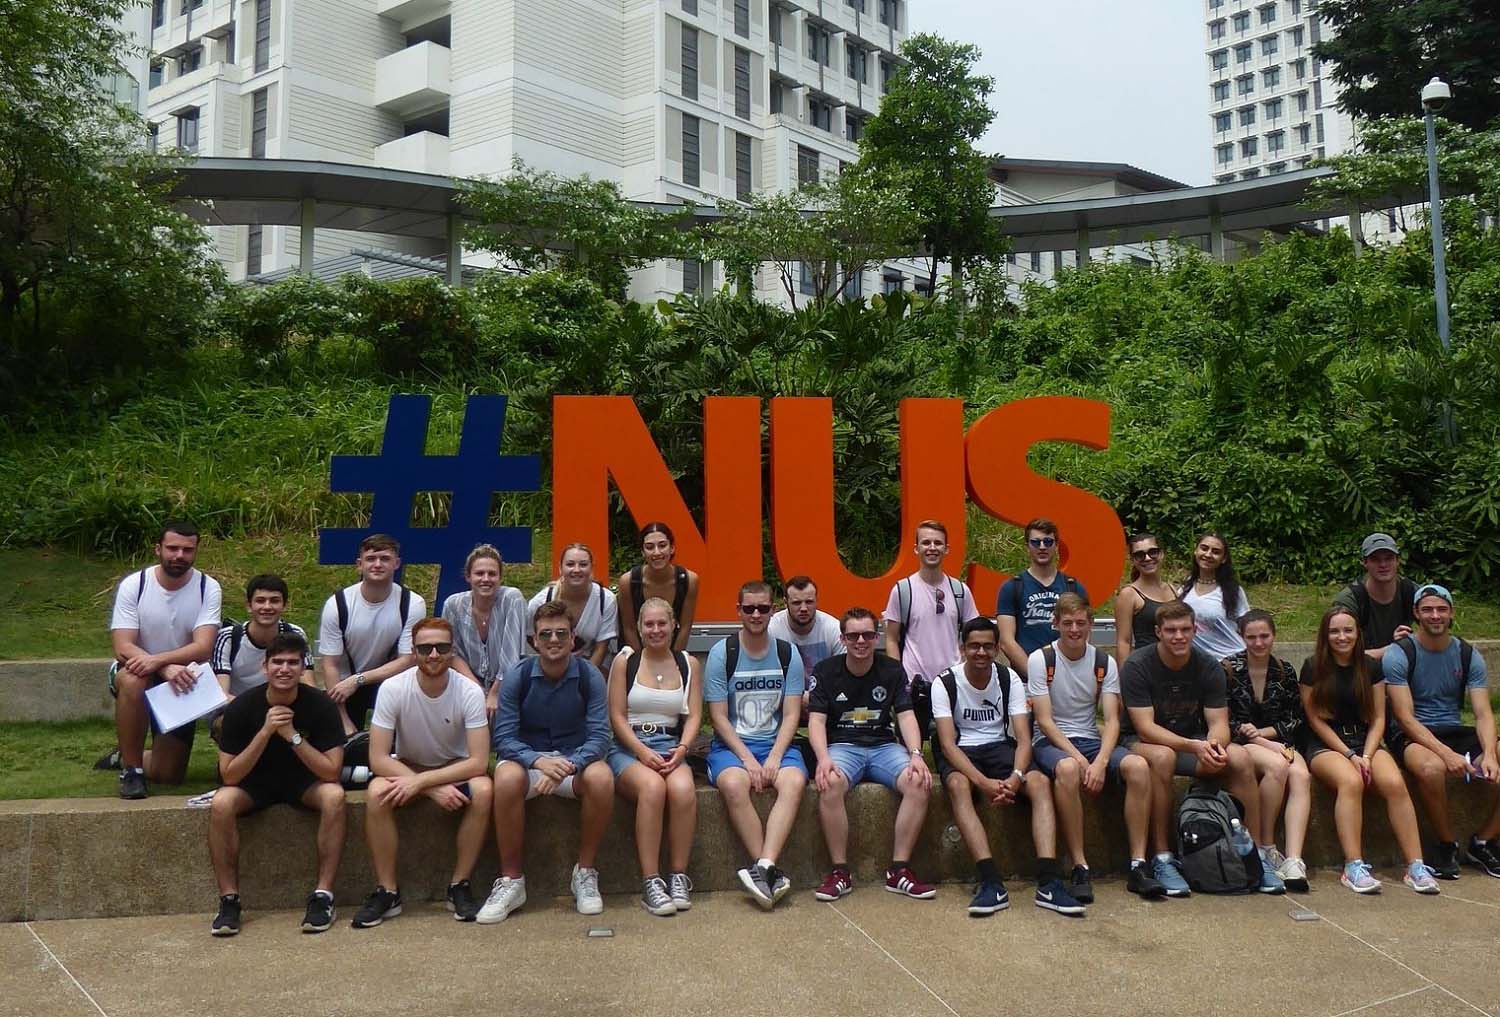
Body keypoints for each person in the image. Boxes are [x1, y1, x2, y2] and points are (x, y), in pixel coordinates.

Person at [1121, 600, 1284, 896]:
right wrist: (1195, 747)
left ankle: (1255, 856)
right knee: (1162, 757)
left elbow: (1219, 721)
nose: (1179, 636)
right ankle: (1162, 858)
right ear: (1158, 632)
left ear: (1195, 630)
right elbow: (1145, 728)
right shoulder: (1138, 665)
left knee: (1239, 756)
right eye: (1171, 630)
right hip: (1140, 742)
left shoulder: (1208, 664)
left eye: (1185, 629)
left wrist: (1213, 745)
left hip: (1193, 740)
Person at [933, 617, 1084, 917]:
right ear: (962, 648)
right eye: (974, 646)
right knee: (957, 785)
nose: (981, 652)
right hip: (962, 749)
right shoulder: (945, 682)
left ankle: (1049, 881)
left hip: (999, 747)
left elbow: (1024, 739)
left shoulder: (1009, 679)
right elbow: (948, 744)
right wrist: (982, 782)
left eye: (988, 646)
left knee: (1039, 783)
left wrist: (1015, 777)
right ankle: (990, 881)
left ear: (998, 648)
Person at [351, 618, 493, 928]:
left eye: (441, 647)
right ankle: (387, 890)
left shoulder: (468, 691)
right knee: (376, 793)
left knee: (483, 790)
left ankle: (460, 885)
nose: (433, 655)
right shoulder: (392, 688)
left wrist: (425, 782)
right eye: (425, 648)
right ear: (413, 651)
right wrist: (427, 787)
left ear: (451, 650)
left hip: (456, 768)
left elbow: (479, 761)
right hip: (408, 765)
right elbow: (377, 758)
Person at [483, 602, 614, 923]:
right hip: (529, 761)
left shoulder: (589, 676)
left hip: (574, 761)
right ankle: (512, 880)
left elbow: (600, 737)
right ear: (534, 642)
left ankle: (584, 873)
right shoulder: (518, 675)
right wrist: (539, 761)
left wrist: (568, 765)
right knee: (506, 778)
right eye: (546, 634)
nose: (553, 640)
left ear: (573, 640)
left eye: (561, 634)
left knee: (602, 778)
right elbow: (503, 738)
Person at [1029, 594, 1163, 903]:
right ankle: (1080, 864)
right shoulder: (1041, 659)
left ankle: (1138, 864)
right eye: (1067, 624)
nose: (1074, 630)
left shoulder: (1104, 662)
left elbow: (1112, 720)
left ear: (1091, 624)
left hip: (1090, 738)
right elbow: (1045, 722)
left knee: (1139, 767)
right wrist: (1080, 760)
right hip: (1052, 741)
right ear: (1056, 624)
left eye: (1080, 623)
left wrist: (1101, 761)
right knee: (1067, 769)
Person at [209, 633, 346, 936]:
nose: (285, 669)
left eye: (292, 663)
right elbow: (230, 775)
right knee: (221, 803)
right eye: (278, 662)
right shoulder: (241, 708)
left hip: (304, 781)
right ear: (265, 667)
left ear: (302, 668)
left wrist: (292, 736)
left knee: (335, 796)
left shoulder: (321, 706)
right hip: (253, 783)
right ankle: (229, 900)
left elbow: (331, 771)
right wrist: (266, 731)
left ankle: (323, 896)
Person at [1302, 607, 1439, 894]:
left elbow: (1378, 717)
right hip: (1327, 744)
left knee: (1394, 783)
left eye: (1348, 630)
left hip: (1366, 741)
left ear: (1358, 633)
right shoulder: (1313, 667)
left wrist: (1365, 754)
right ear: (1325, 636)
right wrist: (1350, 756)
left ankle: (1415, 865)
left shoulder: (1371, 667)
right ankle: (1353, 866)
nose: (1342, 637)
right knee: (1351, 782)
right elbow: (1314, 719)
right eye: (1335, 631)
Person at [809, 608, 935, 903]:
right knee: (829, 783)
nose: (861, 641)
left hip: (883, 747)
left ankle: (899, 871)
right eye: (853, 636)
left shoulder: (892, 669)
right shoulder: (826, 671)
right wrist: (823, 758)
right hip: (842, 746)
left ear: (877, 636)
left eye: (867, 634)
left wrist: (916, 754)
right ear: (843, 639)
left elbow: (905, 716)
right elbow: (816, 721)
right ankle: (840, 872)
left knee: (918, 782)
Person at [1382, 584, 1500, 879]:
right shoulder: (1399, 654)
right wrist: (1446, 754)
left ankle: (1484, 841)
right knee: (1432, 767)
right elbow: (1404, 718)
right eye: (1428, 610)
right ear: (1416, 614)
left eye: (1441, 610)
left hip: (1454, 727)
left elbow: (1483, 713)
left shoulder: (1468, 654)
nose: (1435, 616)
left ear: (1451, 614)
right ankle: (1446, 843)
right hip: (1412, 732)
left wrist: (1490, 754)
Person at [704, 581, 807, 909]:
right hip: (732, 747)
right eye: (749, 608)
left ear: (772, 609)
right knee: (734, 784)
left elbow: (791, 714)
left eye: (763, 608)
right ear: (739, 611)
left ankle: (763, 867)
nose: (756, 614)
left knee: (793, 781)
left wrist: (775, 756)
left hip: (777, 742)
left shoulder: (787, 653)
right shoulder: (723, 653)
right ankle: (768, 868)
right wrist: (748, 760)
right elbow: (718, 717)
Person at [106, 521, 223, 799]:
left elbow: (203, 647)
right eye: (172, 548)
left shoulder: (208, 587)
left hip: (181, 679)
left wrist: (162, 663)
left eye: (187, 550)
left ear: (195, 552)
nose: (179, 555)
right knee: (135, 679)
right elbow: (122, 645)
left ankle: (125, 754)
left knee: (168, 775)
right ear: (158, 549)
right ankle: (131, 771)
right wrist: (163, 665)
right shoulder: (135, 585)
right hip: (135, 667)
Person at [606, 597, 702, 916]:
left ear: (674, 625)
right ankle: (651, 881)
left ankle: (678, 875)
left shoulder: (688, 664)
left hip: (671, 746)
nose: (656, 630)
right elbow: (617, 716)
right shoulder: (626, 661)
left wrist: (683, 749)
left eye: (662, 623)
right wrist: (641, 751)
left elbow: (694, 716)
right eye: (649, 624)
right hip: (630, 747)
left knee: (684, 790)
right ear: (639, 628)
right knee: (652, 788)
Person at [1221, 609, 1311, 891]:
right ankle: (1266, 844)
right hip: (1242, 742)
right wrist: (1259, 740)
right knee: (1278, 766)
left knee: (1302, 776)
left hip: (1276, 739)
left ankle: (1294, 858)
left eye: (1265, 636)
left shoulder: (1284, 670)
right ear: (1241, 637)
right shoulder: (1227, 669)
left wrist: (1266, 734)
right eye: (1252, 637)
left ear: (1274, 635)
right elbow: (1222, 718)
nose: (1259, 643)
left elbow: (1295, 717)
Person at [318, 533, 427, 736]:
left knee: (398, 739)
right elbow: (330, 663)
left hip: (391, 680)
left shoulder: (412, 603)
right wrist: (342, 719)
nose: (377, 564)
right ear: (359, 564)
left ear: (397, 563)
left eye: (385, 559)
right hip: (343, 683)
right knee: (341, 739)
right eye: (371, 559)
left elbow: (407, 660)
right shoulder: (338, 604)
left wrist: (358, 679)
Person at [883, 520, 979, 737]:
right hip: (914, 684)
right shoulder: (903, 590)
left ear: (947, 549)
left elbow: (973, 633)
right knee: (911, 749)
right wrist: (899, 679)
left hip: (952, 681)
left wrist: (966, 669)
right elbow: (891, 638)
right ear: (916, 549)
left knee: (953, 747)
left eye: (938, 543)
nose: (932, 548)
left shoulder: (960, 591)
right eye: (926, 543)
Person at [996, 517, 1090, 673]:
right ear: (1027, 546)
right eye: (1036, 542)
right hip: (1027, 680)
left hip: (1069, 676)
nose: (1042, 547)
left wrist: (1069, 674)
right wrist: (1036, 676)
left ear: (1056, 546)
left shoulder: (1074, 587)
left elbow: (1084, 634)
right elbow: (1006, 641)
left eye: (1048, 542)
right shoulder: (1012, 587)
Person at [441, 544, 526, 712]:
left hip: (508, 682)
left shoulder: (512, 599)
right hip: (466, 681)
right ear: (468, 577)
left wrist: (494, 693)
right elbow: (452, 651)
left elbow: (512, 653)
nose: (486, 579)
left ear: (500, 577)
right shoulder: (453, 605)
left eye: (492, 574)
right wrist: (477, 689)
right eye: (479, 573)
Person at [211, 574, 313, 703]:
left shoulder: (295, 633)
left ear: (284, 606)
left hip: (282, 707)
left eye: (274, 601)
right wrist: (259, 711)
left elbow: (309, 686)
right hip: (236, 709)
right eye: (260, 601)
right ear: (249, 606)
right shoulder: (229, 638)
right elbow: (222, 695)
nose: (267, 607)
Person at [528, 542, 619, 669]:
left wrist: (586, 679)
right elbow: (530, 636)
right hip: (552, 665)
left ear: (592, 568)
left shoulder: (606, 600)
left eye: (583, 564)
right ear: (560, 568)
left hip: (594, 666)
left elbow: (601, 647)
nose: (576, 570)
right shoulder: (540, 602)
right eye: (570, 564)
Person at [1332, 533, 1416, 662]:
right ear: (1365, 562)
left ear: (1397, 561)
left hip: (1402, 666)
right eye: (1375, 559)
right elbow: (1339, 655)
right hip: (1361, 669)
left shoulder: (1412, 592)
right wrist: (1395, 648)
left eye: (1389, 558)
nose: (1383, 564)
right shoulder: (1349, 600)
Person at [617, 522, 700, 653]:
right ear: (643, 552)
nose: (657, 552)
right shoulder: (628, 581)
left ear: (672, 548)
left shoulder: (689, 580)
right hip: (636, 653)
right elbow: (629, 628)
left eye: (662, 545)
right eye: (649, 547)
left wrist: (673, 660)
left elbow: (685, 627)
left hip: (672, 653)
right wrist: (642, 661)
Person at [1178, 532, 1249, 661]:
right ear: (1196, 551)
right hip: (1200, 665)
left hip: (1232, 663)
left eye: (1216, 552)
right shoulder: (1185, 589)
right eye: (1204, 548)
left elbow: (1247, 628)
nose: (1208, 554)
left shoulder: (1233, 591)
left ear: (1224, 558)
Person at [1112, 531, 1177, 665]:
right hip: (1147, 668)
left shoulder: (1172, 589)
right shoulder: (1129, 594)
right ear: (1133, 560)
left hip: (1176, 666)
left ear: (1161, 554)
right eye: (1139, 555)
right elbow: (1124, 642)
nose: (1147, 558)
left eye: (1152, 552)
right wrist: (1125, 680)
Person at [769, 575, 844, 677]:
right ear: (786, 603)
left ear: (816, 601)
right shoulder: (772, 629)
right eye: (796, 603)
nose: (803, 608)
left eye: (809, 602)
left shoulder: (833, 628)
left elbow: (843, 673)